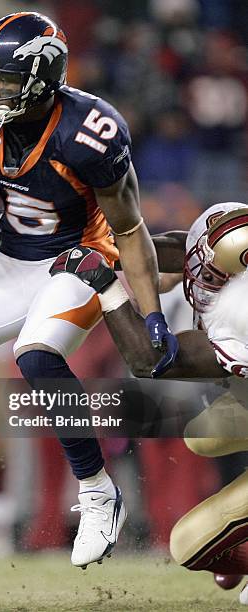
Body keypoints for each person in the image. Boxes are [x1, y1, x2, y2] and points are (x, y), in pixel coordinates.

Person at [0, 12, 178, 576]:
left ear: (45, 78)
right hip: (9, 263)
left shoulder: (89, 132)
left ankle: (98, 492)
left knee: (35, 355)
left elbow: (129, 230)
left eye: (4, 81)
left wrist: (150, 314)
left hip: (77, 261)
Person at [98, 202, 248, 605]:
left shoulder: (240, 319)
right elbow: (179, 248)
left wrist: (103, 284)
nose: (199, 277)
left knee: (187, 544)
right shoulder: (233, 261)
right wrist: (105, 243)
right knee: (205, 435)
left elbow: (150, 362)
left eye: (213, 275)